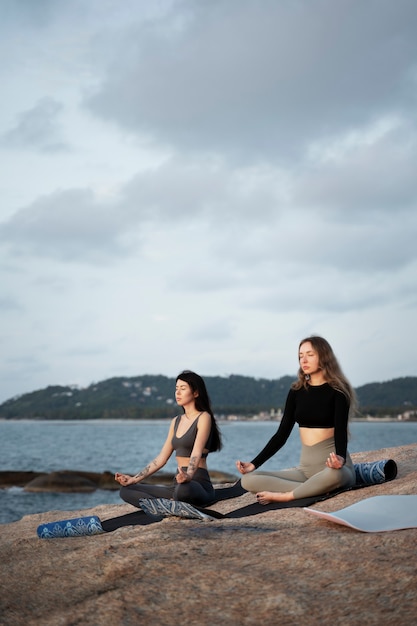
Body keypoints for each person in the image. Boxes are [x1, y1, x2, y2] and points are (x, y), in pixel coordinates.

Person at [236, 336, 357, 504]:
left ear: (324, 357)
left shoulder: (338, 392)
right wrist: (253, 464)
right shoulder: (296, 392)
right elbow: (281, 435)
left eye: (310, 354)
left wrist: (341, 459)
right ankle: (311, 488)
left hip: (332, 470)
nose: (304, 360)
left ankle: (286, 495)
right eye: (300, 355)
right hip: (305, 473)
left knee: (336, 475)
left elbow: (341, 431)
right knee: (248, 480)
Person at [115, 370, 222, 508]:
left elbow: (196, 452)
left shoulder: (203, 417)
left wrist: (188, 475)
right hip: (177, 485)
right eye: (176, 389)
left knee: (184, 489)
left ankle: (168, 503)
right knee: (126, 490)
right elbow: (161, 459)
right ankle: (166, 506)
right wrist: (133, 479)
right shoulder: (175, 421)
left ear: (195, 393)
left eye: (183, 389)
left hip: (197, 484)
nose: (177, 393)